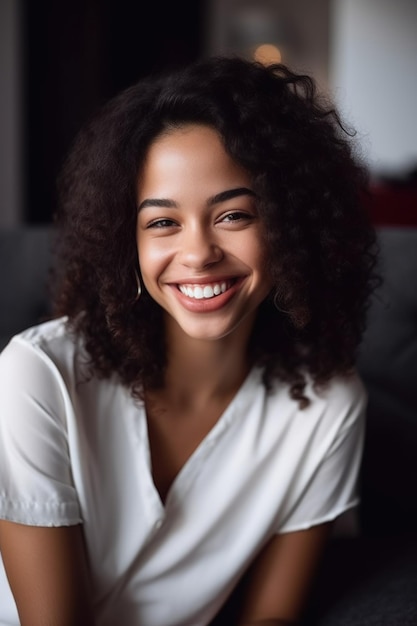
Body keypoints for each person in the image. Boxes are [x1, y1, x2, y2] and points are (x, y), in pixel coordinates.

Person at [0, 55, 378, 626]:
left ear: (291, 226)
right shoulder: (37, 375)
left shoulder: (326, 406)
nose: (198, 253)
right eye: (162, 222)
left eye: (233, 216)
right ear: (125, 243)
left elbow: (271, 618)